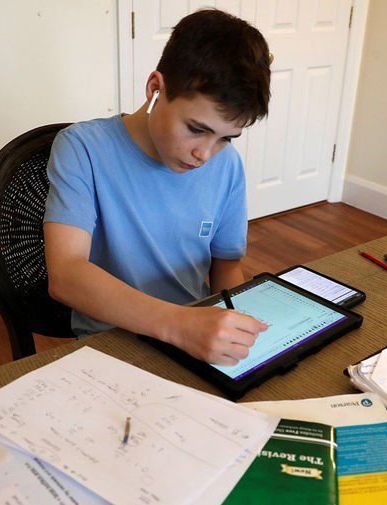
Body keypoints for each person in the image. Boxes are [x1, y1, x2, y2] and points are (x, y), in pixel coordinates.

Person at [44, 9, 271, 366]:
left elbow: (226, 266)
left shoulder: (226, 165)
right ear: (155, 89)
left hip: (195, 339)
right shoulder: (82, 148)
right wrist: (179, 325)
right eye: (196, 129)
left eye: (225, 138)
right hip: (112, 342)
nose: (205, 154)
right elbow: (66, 275)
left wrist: (232, 329)